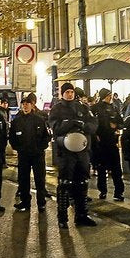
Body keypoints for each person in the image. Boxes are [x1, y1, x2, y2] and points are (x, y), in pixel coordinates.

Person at [49, 83, 98, 229]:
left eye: (71, 92)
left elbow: (93, 126)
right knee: (65, 183)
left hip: (82, 152)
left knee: (82, 182)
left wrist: (81, 125)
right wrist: (70, 124)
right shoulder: (57, 109)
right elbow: (55, 128)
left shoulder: (83, 107)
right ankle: (62, 217)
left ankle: (82, 215)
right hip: (66, 153)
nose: (70, 94)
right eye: (67, 92)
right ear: (62, 94)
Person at [9, 93, 50, 212]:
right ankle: (25, 202)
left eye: (28, 104)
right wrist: (18, 148)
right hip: (23, 156)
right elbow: (12, 137)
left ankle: (41, 203)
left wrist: (41, 147)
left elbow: (46, 137)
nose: (25, 106)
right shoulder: (17, 121)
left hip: (37, 156)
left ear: (32, 105)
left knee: (40, 180)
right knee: (23, 180)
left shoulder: (39, 120)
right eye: (23, 104)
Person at [92, 88, 124, 201]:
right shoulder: (95, 108)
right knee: (101, 169)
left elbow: (121, 122)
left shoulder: (114, 108)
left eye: (110, 95)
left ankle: (119, 192)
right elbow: (92, 125)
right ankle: (102, 191)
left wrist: (116, 126)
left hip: (112, 142)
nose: (110, 97)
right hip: (101, 144)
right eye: (107, 95)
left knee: (116, 169)